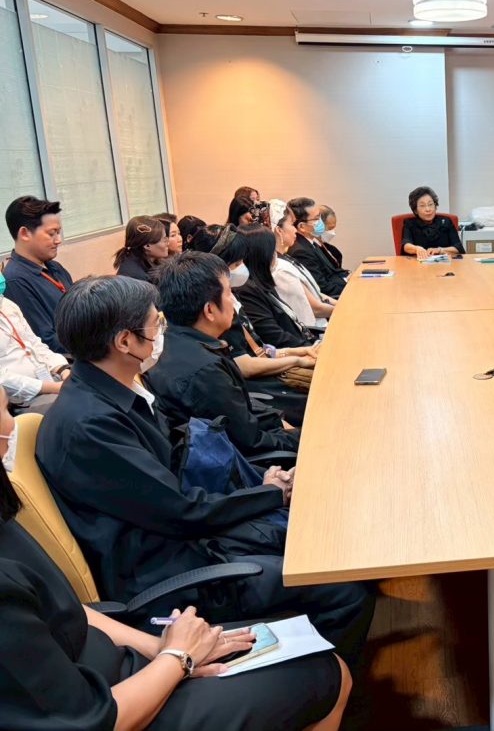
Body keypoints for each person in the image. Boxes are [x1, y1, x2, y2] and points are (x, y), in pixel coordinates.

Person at [35, 275, 374, 668]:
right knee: (342, 587)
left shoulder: (116, 391)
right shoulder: (90, 425)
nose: (162, 332)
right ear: (125, 342)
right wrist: (270, 493)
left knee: (329, 537)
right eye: (156, 324)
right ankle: (326, 686)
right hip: (173, 571)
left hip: (190, 537)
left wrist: (262, 485)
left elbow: (177, 475)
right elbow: (181, 510)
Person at [0, 390, 351, 731]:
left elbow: (69, 607)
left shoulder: (6, 523)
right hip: (113, 700)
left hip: (120, 662)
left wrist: (158, 648)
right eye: (2, 412)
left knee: (309, 652)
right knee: (327, 671)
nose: (11, 424)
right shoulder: (90, 424)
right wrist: (178, 658)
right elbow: (91, 720)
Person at [146, 252, 300, 456]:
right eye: (229, 293)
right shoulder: (205, 371)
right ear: (209, 310)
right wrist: (303, 438)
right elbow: (251, 442)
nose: (233, 300)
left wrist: (278, 420)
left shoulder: (172, 340)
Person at [211, 229, 315, 426]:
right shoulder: (222, 310)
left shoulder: (236, 296)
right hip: (257, 385)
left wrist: (300, 351)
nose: (242, 267)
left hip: (266, 373)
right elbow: (246, 365)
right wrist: (297, 359)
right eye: (236, 264)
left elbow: (261, 349)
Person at [3, 196, 74, 355]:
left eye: (58, 232)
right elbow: (46, 341)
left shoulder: (55, 267)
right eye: (51, 233)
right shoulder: (15, 281)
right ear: (25, 233)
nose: (58, 240)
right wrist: (96, 342)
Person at [233, 224, 318, 349]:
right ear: (262, 254)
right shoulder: (246, 289)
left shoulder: (262, 281)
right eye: (272, 250)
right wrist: (311, 348)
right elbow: (275, 337)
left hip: (303, 341)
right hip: (294, 351)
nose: (276, 255)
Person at [0, 270, 71, 414]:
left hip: (51, 378)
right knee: (76, 406)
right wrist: (52, 388)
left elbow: (36, 344)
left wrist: (62, 370)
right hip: (20, 399)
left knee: (96, 386)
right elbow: (3, 380)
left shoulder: (6, 305)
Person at [273, 208, 335, 328]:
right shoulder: (281, 269)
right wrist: (344, 308)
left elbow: (318, 294)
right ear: (279, 230)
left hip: (323, 320)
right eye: (292, 224)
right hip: (316, 328)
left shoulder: (286, 257)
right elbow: (315, 309)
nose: (295, 229)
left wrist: (341, 304)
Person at [286, 197, 349, 297]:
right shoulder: (300, 251)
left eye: (319, 217)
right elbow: (323, 288)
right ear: (302, 227)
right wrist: (350, 287)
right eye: (316, 219)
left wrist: (348, 279)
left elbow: (331, 273)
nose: (321, 222)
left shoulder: (311, 242)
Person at [399, 186, 464, 258]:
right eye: (422, 206)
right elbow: (406, 246)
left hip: (444, 264)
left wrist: (440, 250)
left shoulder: (446, 222)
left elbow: (458, 248)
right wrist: (417, 249)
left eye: (430, 204)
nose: (428, 209)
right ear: (415, 210)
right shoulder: (410, 223)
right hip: (418, 264)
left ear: (435, 206)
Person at [113, 216, 170, 283]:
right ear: (147, 245)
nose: (168, 243)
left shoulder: (149, 262)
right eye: (164, 239)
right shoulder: (136, 278)